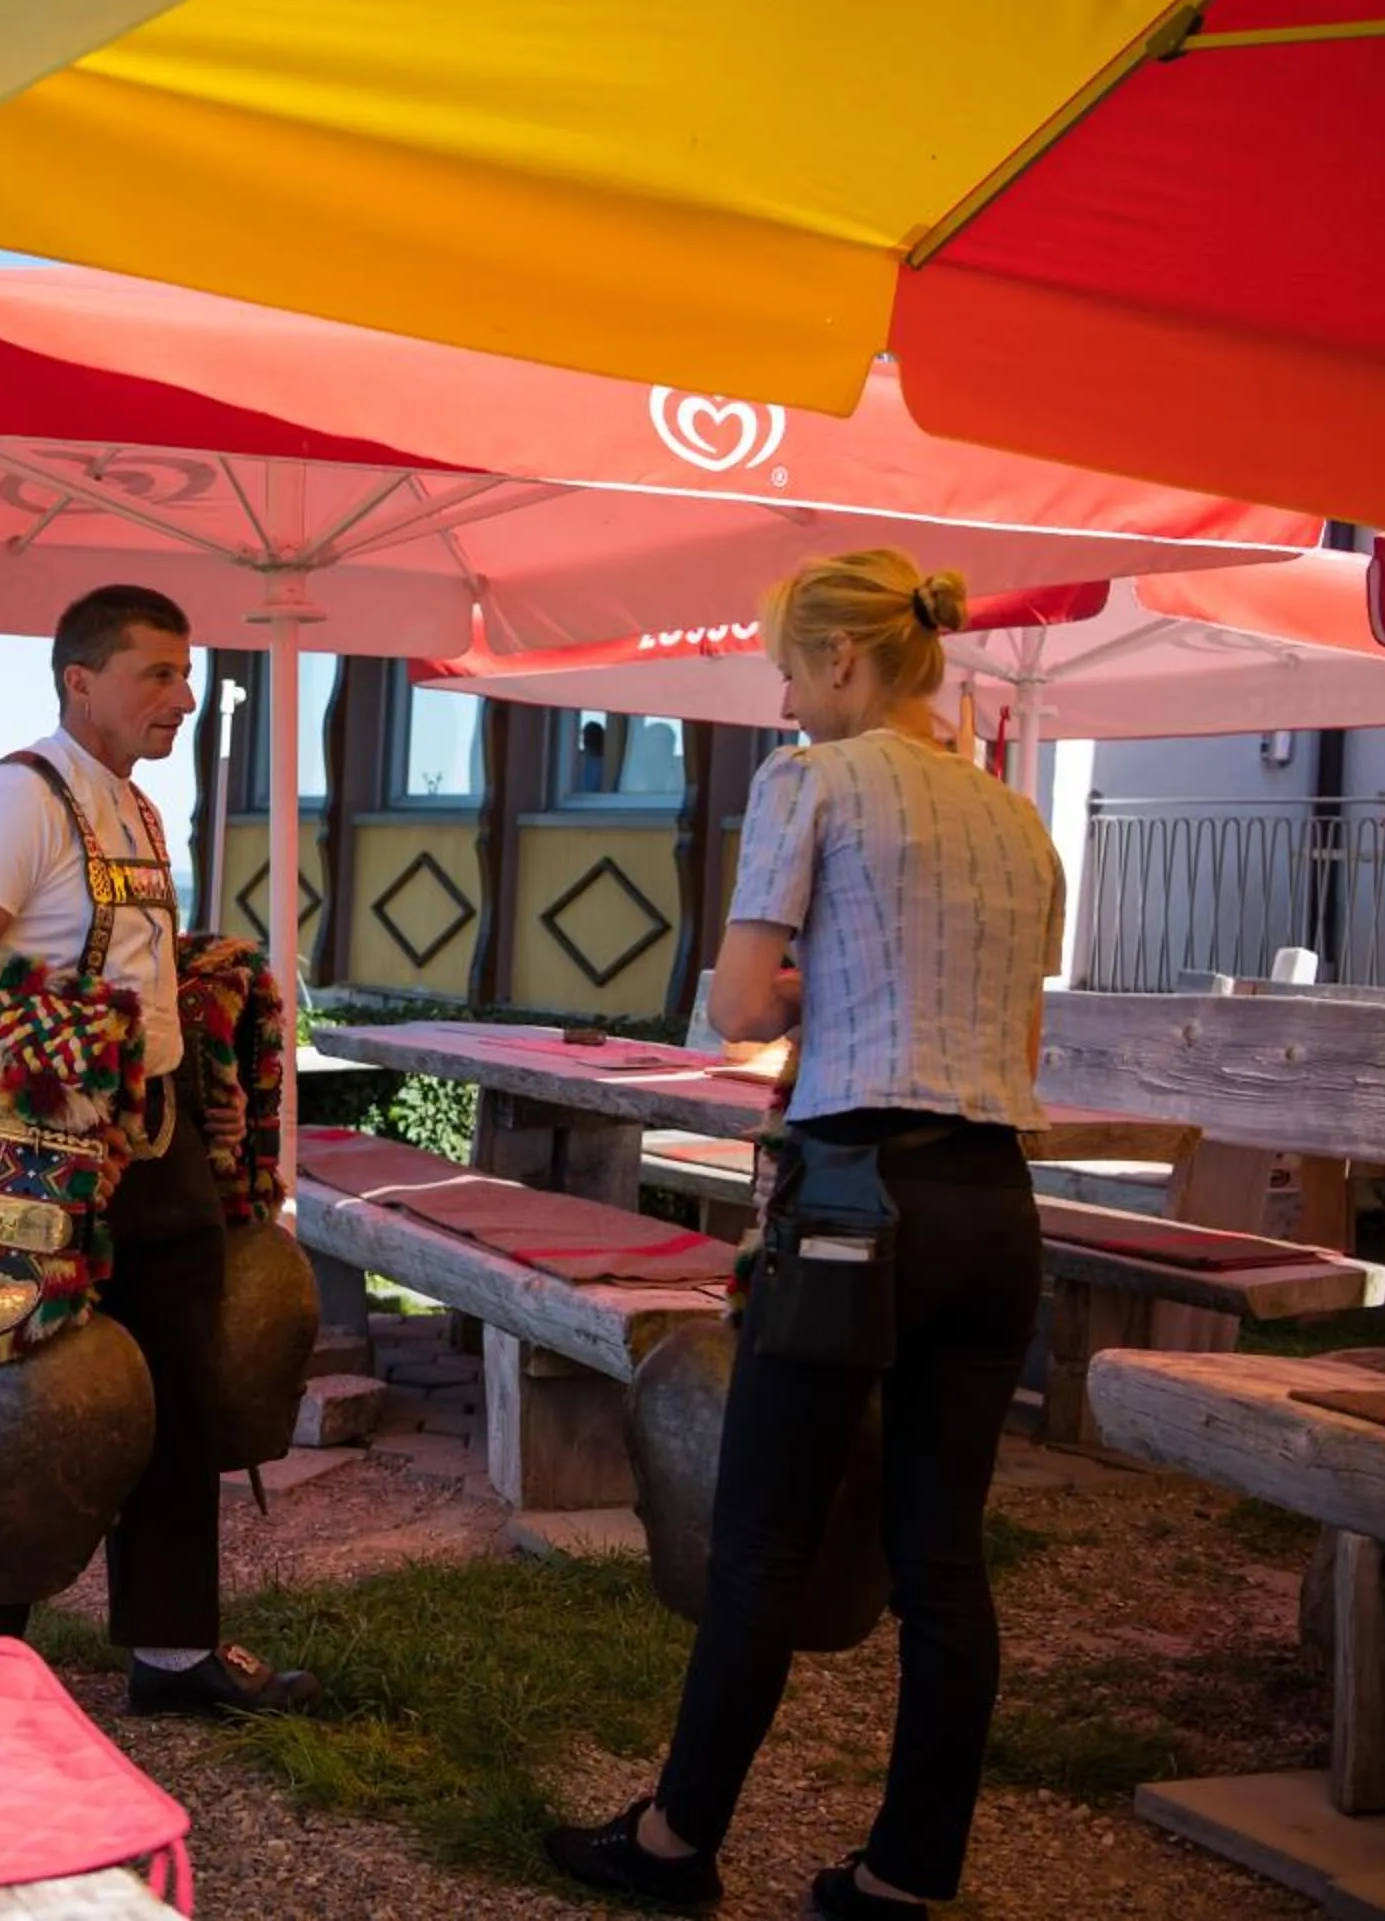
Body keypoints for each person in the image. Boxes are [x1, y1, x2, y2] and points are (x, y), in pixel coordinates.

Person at [545, 551, 1063, 1920]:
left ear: (843, 660)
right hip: (996, 1203)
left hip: (856, 1194)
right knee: (942, 1552)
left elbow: (734, 1009)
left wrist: (796, 969)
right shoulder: (1021, 822)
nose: (780, 693)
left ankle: (674, 1843)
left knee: (763, 1536)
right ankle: (906, 1875)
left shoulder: (812, 782)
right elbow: (1017, 1040)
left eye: (787, 664)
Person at [0, 582, 322, 1717]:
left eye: (186, 674)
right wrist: (56, 1102)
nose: (183, 696)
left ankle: (175, 1653)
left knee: (180, 1389)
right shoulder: (16, 800)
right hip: (38, 1160)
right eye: (157, 674)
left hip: (163, 1143)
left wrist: (209, 1068)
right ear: (80, 681)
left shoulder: (132, 808)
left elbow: (142, 980)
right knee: (12, 1391)